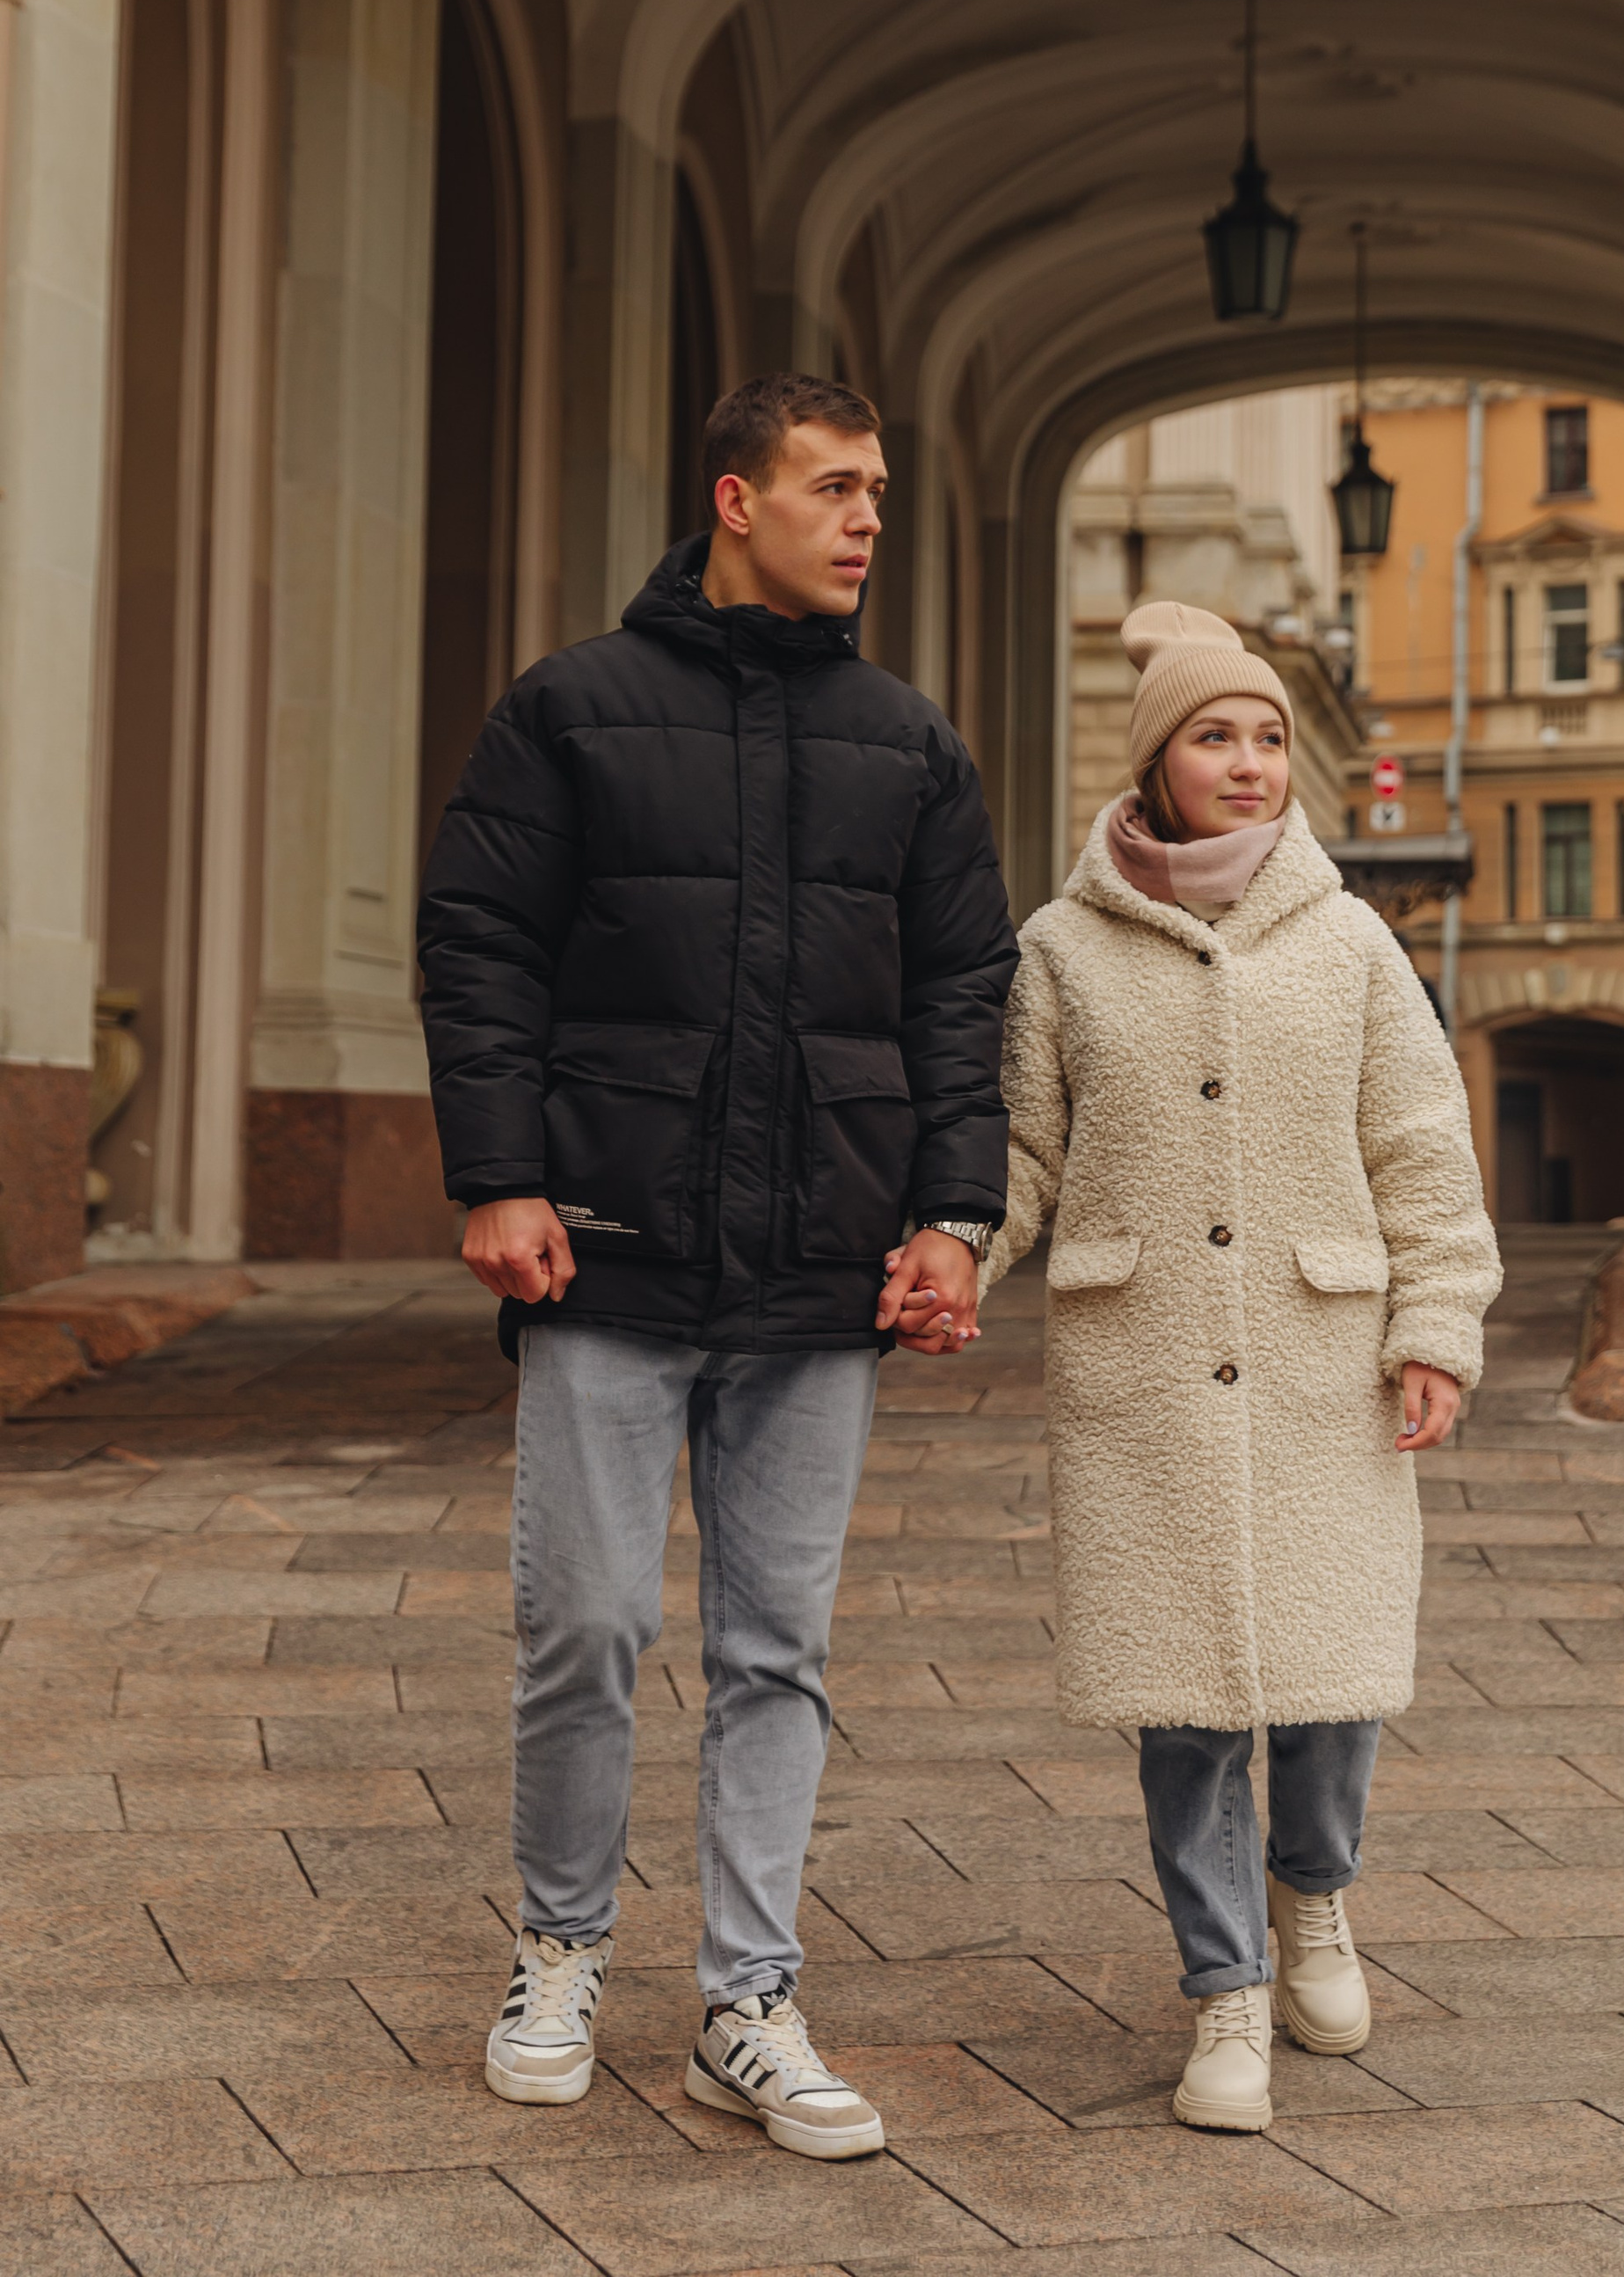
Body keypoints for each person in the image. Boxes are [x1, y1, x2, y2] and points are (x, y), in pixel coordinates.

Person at [418, 373, 1016, 2160]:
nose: (866, 522)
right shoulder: (572, 711)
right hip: (603, 1247)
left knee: (781, 1648)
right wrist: (500, 1174)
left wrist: (951, 1216)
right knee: (583, 1629)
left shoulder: (909, 746)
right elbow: (481, 947)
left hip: (821, 1263)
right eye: (836, 488)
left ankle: (748, 2001)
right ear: (732, 499)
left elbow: (959, 998)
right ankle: (560, 1952)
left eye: (882, 496)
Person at [972, 600, 1502, 2132]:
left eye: (1270, 737)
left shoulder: (1349, 941)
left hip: (1323, 1358)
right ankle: (1224, 1995)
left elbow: (1421, 1150)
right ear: (1157, 761)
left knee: (1337, 1683)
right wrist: (954, 1255)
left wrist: (1435, 1328)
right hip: (1142, 1371)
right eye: (1218, 736)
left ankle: (1315, 1895)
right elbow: (1024, 1144)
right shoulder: (1061, 951)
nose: (1254, 762)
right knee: (1185, 1699)